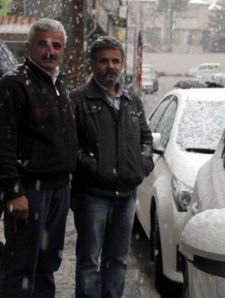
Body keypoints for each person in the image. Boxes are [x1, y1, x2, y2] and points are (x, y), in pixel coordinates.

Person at [70, 36, 153, 298]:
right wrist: (95, 169)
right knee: (89, 262)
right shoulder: (78, 100)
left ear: (122, 64)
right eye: (104, 60)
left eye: (115, 61)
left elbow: (146, 139)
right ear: (92, 64)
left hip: (126, 196)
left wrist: (142, 165)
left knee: (118, 260)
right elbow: (70, 147)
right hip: (92, 196)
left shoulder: (132, 101)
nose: (111, 66)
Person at [0, 18, 78, 297]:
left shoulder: (60, 85)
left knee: (47, 265)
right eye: (43, 44)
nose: (50, 51)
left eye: (56, 46)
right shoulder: (14, 84)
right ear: (28, 47)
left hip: (59, 190)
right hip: (30, 192)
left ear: (63, 50)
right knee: (20, 266)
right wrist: (13, 191)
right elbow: (4, 142)